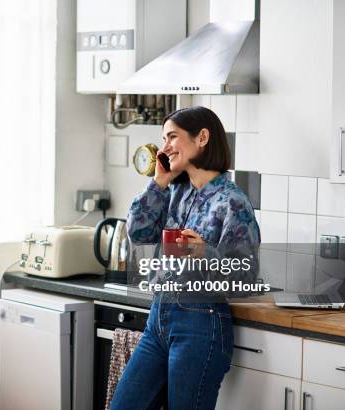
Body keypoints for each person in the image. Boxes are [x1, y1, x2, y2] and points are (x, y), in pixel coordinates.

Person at [110, 106, 260, 410]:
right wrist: (159, 182)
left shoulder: (232, 202)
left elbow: (246, 273)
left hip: (200, 323)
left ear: (202, 137)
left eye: (172, 137)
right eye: (164, 139)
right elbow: (138, 233)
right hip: (159, 319)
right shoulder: (173, 191)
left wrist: (206, 253)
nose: (165, 147)